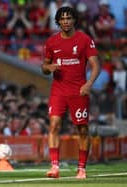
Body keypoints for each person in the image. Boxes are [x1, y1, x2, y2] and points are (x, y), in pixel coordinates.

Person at [41, 6, 100, 179]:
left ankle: (81, 168)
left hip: (79, 91)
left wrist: (89, 83)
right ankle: (54, 167)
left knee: (82, 129)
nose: (65, 21)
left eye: (69, 18)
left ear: (74, 20)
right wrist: (48, 67)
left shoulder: (84, 39)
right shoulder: (52, 42)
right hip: (58, 91)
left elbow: (96, 65)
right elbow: (44, 67)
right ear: (58, 21)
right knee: (53, 125)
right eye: (62, 18)